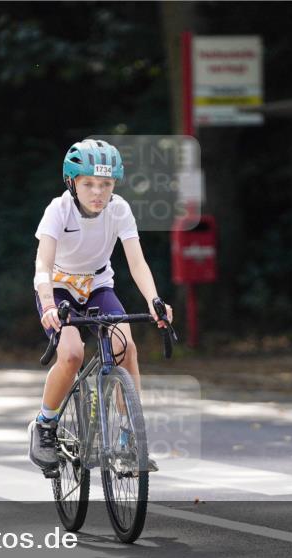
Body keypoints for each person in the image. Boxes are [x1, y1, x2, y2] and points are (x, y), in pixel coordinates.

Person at [29, 139, 174, 476]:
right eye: (88, 184)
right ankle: (45, 426)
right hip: (59, 289)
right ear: (72, 183)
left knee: (127, 348)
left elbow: (136, 262)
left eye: (106, 184)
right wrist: (49, 304)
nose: (98, 192)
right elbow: (42, 264)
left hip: (98, 286)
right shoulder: (58, 210)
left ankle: (127, 438)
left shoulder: (119, 209)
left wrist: (155, 301)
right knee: (72, 355)